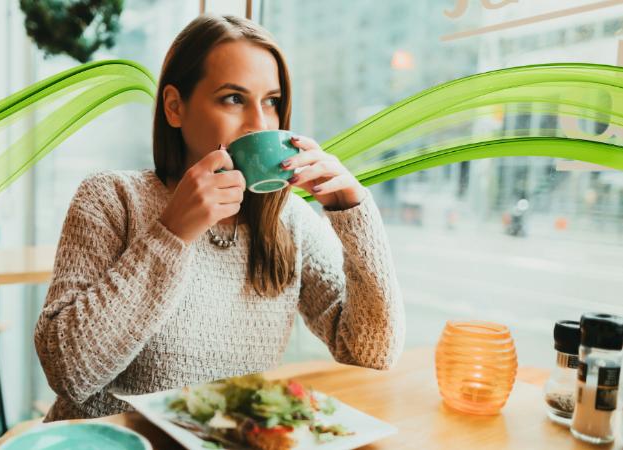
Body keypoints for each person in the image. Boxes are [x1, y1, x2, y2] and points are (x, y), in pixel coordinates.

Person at [34, 14, 405, 421]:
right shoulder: (111, 197)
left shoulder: (289, 220)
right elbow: (67, 371)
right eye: (233, 98)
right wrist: (170, 233)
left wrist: (351, 211)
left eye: (272, 102)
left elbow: (371, 351)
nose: (259, 125)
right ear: (175, 107)